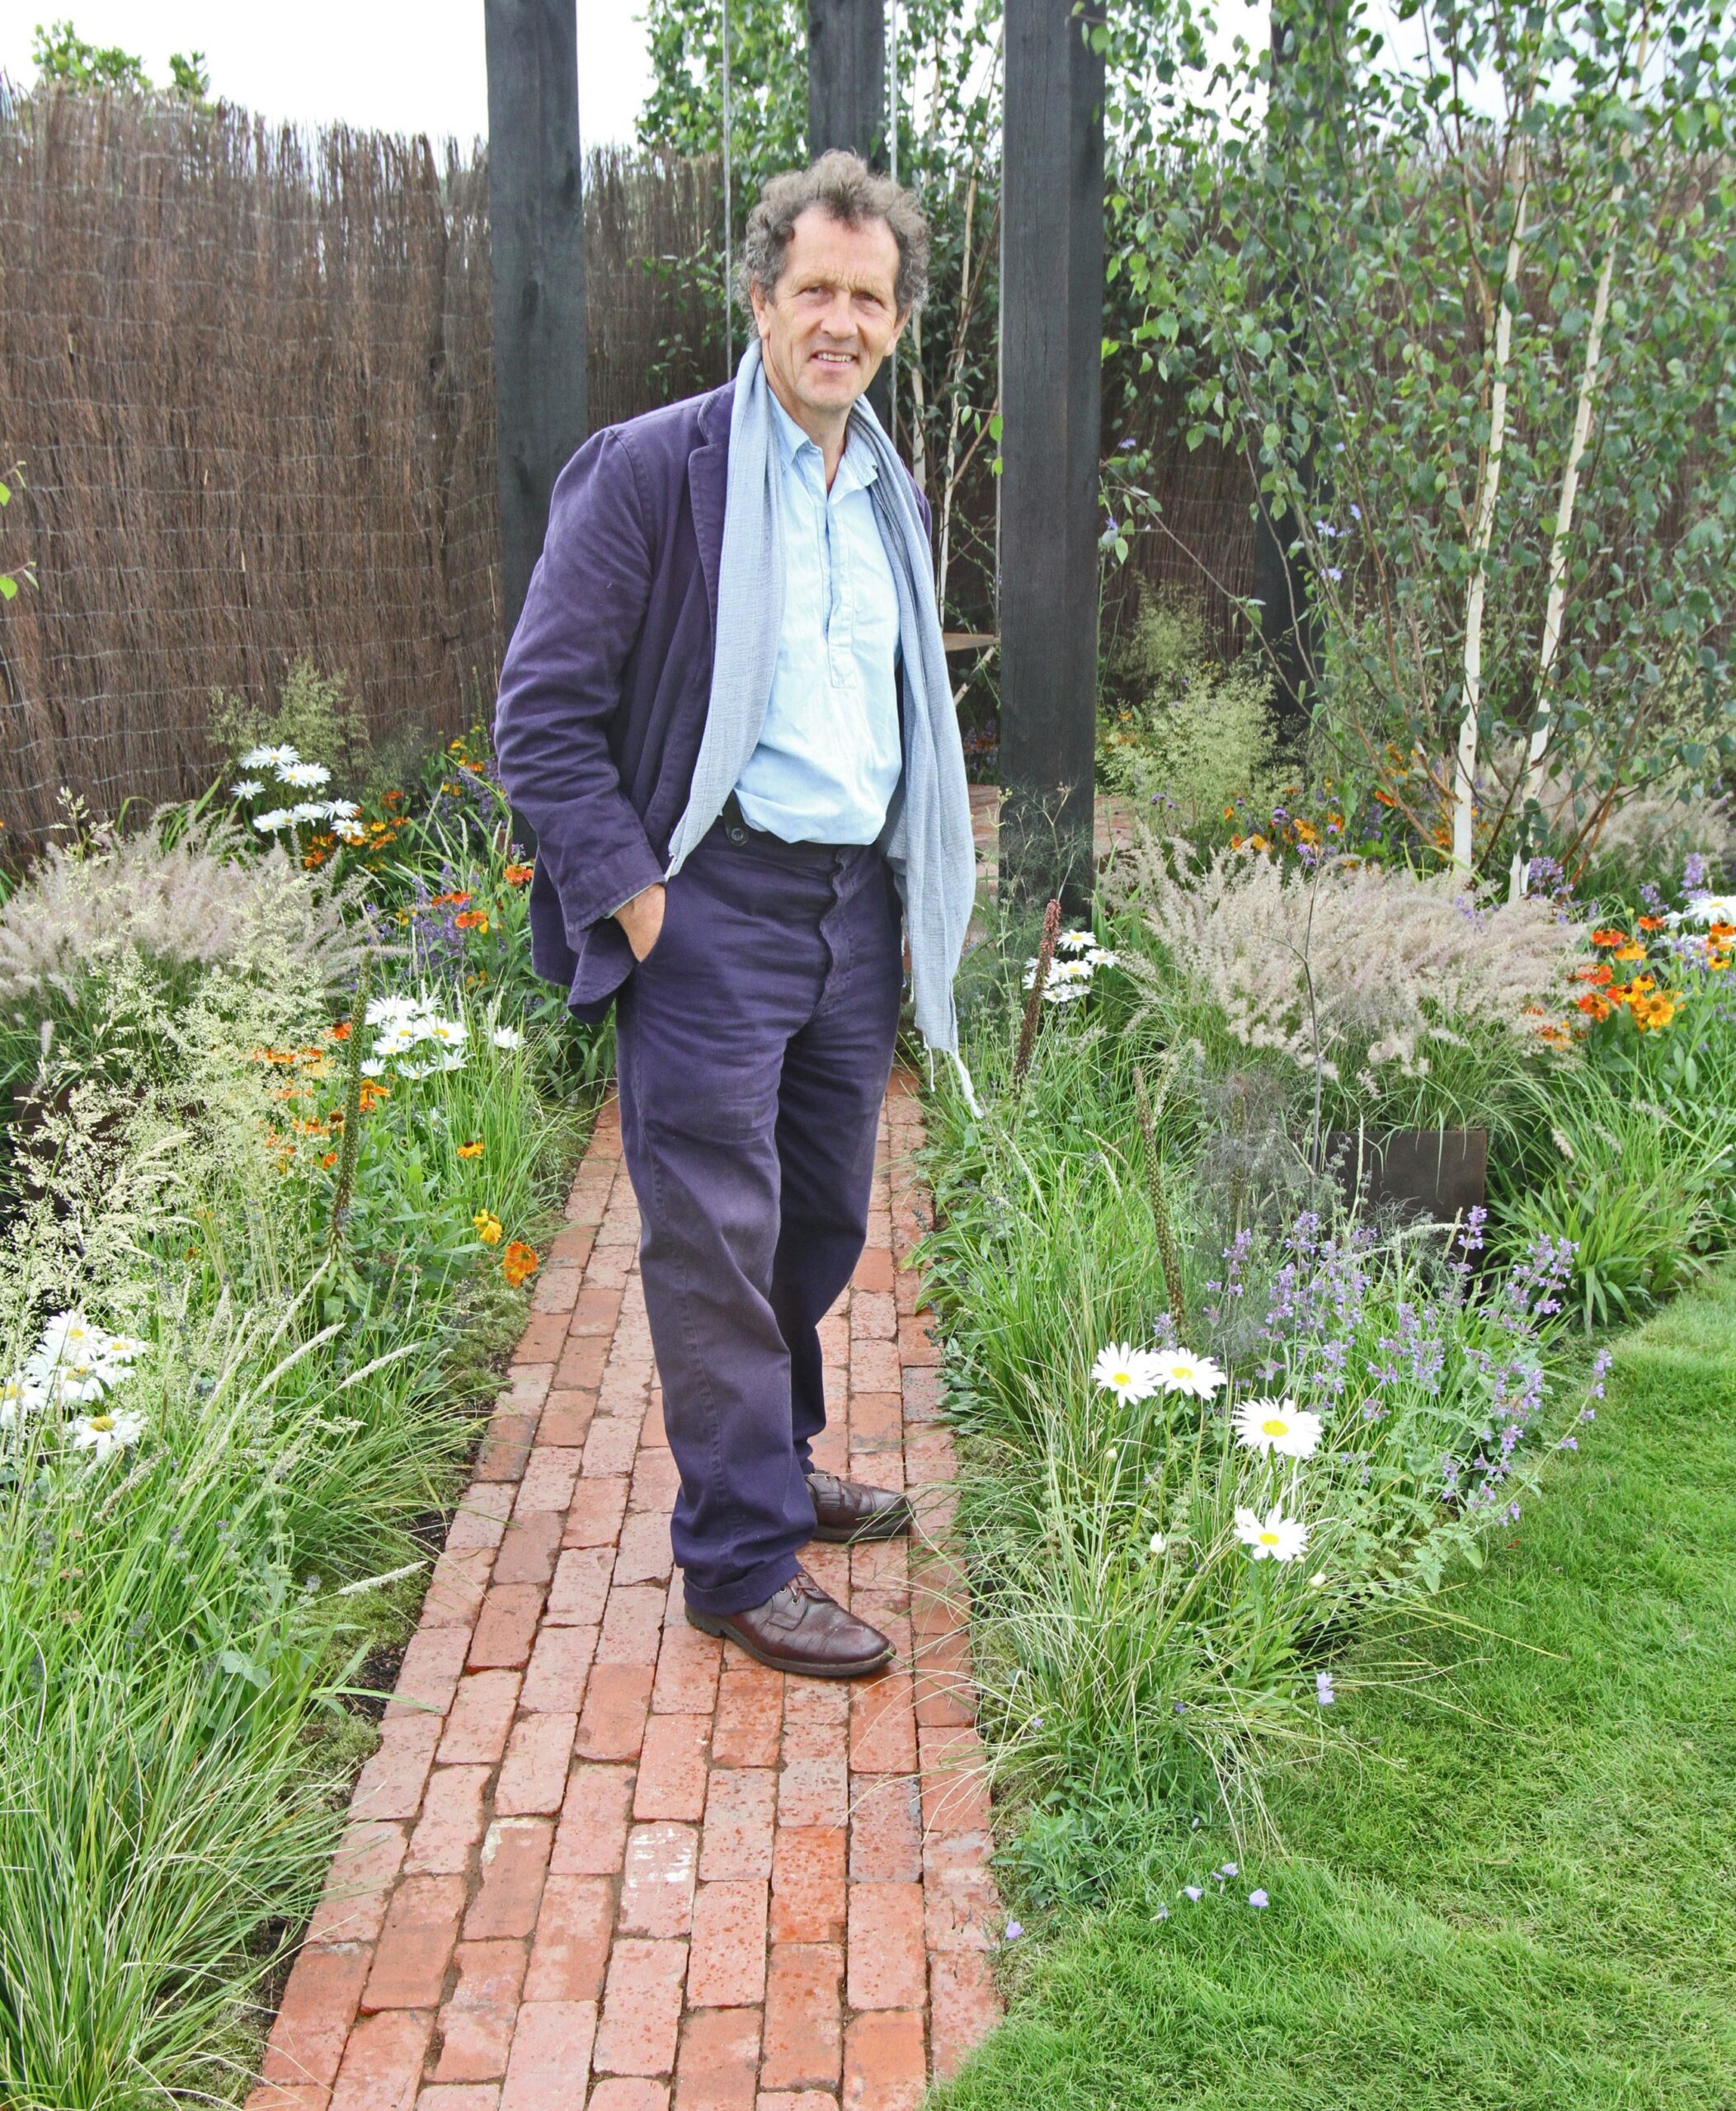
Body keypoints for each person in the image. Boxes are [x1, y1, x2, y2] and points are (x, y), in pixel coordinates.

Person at [493, 151, 975, 1680]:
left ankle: (775, 1454)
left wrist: (901, 894)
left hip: (848, 908)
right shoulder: (651, 471)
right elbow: (543, 718)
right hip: (709, 904)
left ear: (895, 322)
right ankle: (738, 1558)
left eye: (870, 298)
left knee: (820, 1219)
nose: (842, 321)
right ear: (759, 298)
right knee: (712, 1241)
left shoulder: (884, 491)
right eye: (815, 291)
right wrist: (640, 904)